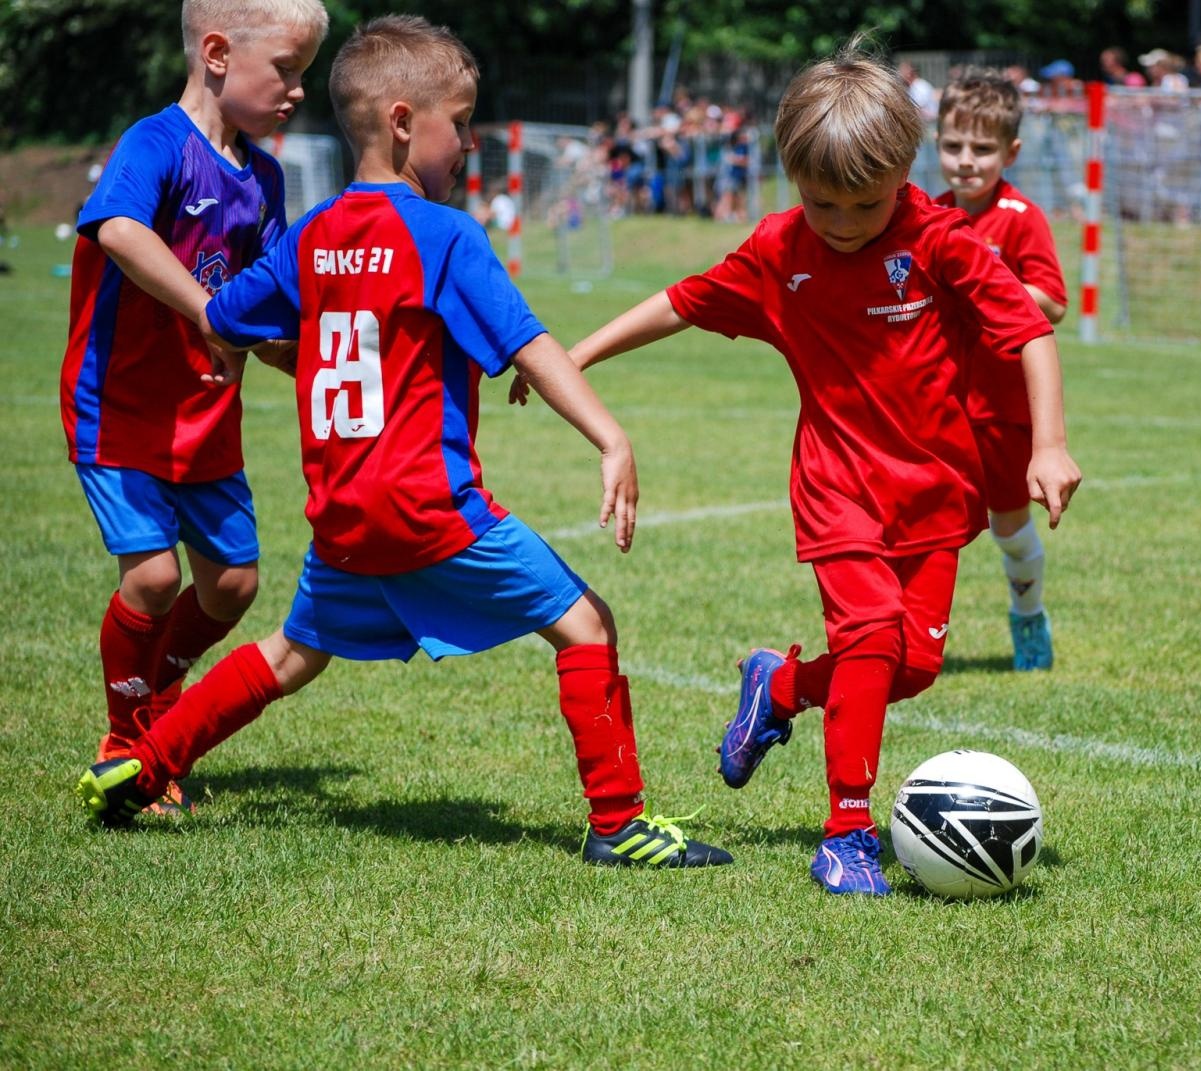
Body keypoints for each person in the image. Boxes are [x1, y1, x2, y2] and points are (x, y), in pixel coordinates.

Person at [74, 15, 733, 870]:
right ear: (398, 121)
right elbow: (528, 342)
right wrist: (609, 434)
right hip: (431, 509)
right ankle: (619, 824)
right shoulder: (444, 236)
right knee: (587, 626)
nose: (465, 142)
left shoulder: (311, 236)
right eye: (456, 122)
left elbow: (228, 315)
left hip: (345, 515)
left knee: (287, 655)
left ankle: (145, 759)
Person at [558, 39, 1082, 895]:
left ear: (903, 175)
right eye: (820, 202)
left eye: (862, 206)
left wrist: (1049, 444)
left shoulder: (941, 240)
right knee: (872, 639)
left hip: (936, 493)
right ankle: (847, 832)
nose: (839, 223)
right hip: (837, 489)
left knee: (909, 668)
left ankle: (782, 684)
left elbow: (1029, 331)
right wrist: (573, 357)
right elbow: (681, 302)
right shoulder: (779, 249)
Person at [59, 0, 328, 815]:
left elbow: (265, 311)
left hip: (208, 416)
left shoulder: (268, 178)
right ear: (216, 52)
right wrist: (207, 314)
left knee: (232, 585)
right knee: (152, 577)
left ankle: (156, 699)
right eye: (286, 70)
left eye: (305, 74)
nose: (298, 92)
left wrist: (320, 364)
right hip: (121, 408)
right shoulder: (156, 144)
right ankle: (128, 735)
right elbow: (118, 232)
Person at [931, 71, 1068, 672]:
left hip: (1001, 409)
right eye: (953, 146)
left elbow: (1054, 301)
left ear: (1010, 152)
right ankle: (912, 640)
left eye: (982, 149)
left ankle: (1029, 617)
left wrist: (987, 290)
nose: (966, 162)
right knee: (927, 527)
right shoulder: (927, 214)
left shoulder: (1019, 217)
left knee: (1009, 528)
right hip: (936, 404)